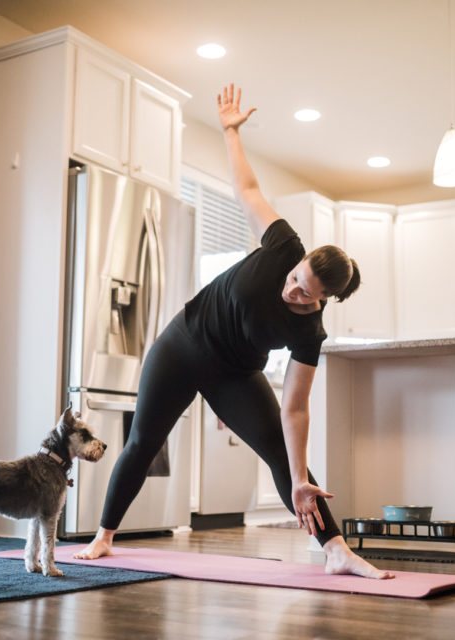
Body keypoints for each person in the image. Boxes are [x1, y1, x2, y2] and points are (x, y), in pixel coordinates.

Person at [75, 84, 393, 580]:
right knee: (142, 442)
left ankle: (335, 550)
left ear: (323, 299)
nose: (293, 291)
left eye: (306, 294)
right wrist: (229, 131)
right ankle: (104, 536)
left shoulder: (311, 336)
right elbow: (247, 190)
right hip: (181, 346)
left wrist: (299, 474)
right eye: (295, 279)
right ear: (299, 260)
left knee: (282, 458)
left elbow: (295, 408)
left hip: (235, 375)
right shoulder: (284, 242)